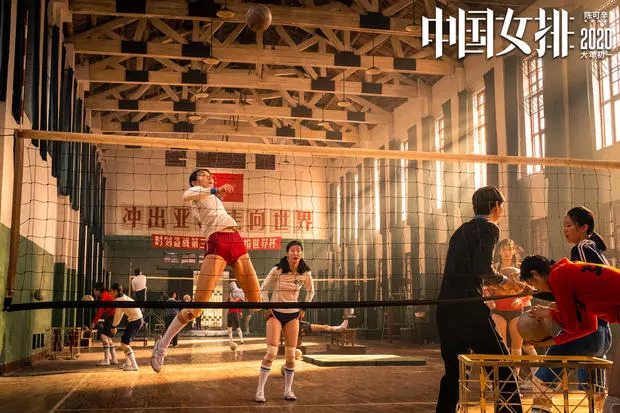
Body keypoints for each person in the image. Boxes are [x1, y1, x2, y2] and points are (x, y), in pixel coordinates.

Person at [151, 169, 262, 372]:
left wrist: (219, 194)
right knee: (196, 309)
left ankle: (237, 292)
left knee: (256, 304)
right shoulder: (195, 193)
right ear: (194, 181)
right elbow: (187, 195)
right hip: (217, 242)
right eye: (204, 174)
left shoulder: (212, 196)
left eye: (210, 175)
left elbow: (213, 202)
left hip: (236, 240)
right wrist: (216, 189)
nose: (209, 176)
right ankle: (162, 345)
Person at [435, 186, 529, 413]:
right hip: (469, 309)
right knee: (501, 368)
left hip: (446, 308)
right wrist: (506, 282)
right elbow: (482, 268)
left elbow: (470, 270)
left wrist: (498, 281)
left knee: (455, 374)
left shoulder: (461, 230)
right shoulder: (489, 227)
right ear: (497, 206)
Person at [529, 207, 612, 411]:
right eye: (563, 226)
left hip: (587, 332)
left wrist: (550, 310)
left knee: (542, 382)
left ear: (583, 228)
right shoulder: (594, 248)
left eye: (568, 225)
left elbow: (585, 293)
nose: (565, 230)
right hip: (603, 334)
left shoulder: (582, 248)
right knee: (595, 391)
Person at [520, 256, 620, 413]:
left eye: (533, 284)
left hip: (598, 335)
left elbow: (571, 326)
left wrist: (549, 314)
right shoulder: (570, 273)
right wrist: (553, 340)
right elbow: (588, 326)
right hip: (602, 335)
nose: (538, 289)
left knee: (545, 376)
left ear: (535, 274)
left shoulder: (558, 276)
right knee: (598, 386)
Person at [255, 240, 314, 403]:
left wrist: (303, 308)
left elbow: (311, 292)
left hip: (293, 315)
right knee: (271, 353)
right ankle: (260, 391)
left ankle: (288, 390)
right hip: (275, 313)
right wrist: (267, 307)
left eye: (298, 250)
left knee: (290, 357)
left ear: (301, 253)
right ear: (287, 253)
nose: (296, 253)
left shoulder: (305, 272)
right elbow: (263, 288)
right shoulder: (278, 269)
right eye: (292, 250)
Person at [487, 239, 536, 360]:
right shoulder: (494, 268)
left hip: (516, 310)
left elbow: (530, 290)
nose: (506, 252)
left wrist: (521, 299)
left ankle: (516, 371)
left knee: (519, 344)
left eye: (509, 249)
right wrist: (489, 300)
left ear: (514, 251)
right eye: (504, 249)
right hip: (498, 310)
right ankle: (506, 371)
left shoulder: (520, 268)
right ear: (499, 251)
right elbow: (486, 288)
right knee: (502, 343)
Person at [110, 283, 144, 371]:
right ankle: (128, 364)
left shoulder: (118, 300)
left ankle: (134, 365)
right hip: (136, 320)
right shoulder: (123, 297)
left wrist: (113, 326)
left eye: (111, 291)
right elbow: (120, 313)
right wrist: (115, 325)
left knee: (124, 344)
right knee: (124, 342)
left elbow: (117, 314)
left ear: (116, 291)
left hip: (135, 320)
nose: (111, 293)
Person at [91, 282, 118, 366]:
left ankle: (106, 360)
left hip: (111, 316)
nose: (93, 291)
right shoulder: (106, 294)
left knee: (103, 336)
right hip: (111, 316)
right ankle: (114, 359)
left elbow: (100, 310)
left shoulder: (104, 296)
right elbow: (103, 310)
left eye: (94, 290)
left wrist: (94, 322)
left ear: (98, 289)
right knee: (108, 338)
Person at [227, 281, 245, 345]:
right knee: (231, 327)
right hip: (232, 313)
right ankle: (232, 340)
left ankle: (241, 339)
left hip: (234, 313)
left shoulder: (237, 295)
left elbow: (239, 305)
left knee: (237, 327)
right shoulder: (232, 296)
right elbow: (227, 303)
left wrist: (240, 312)